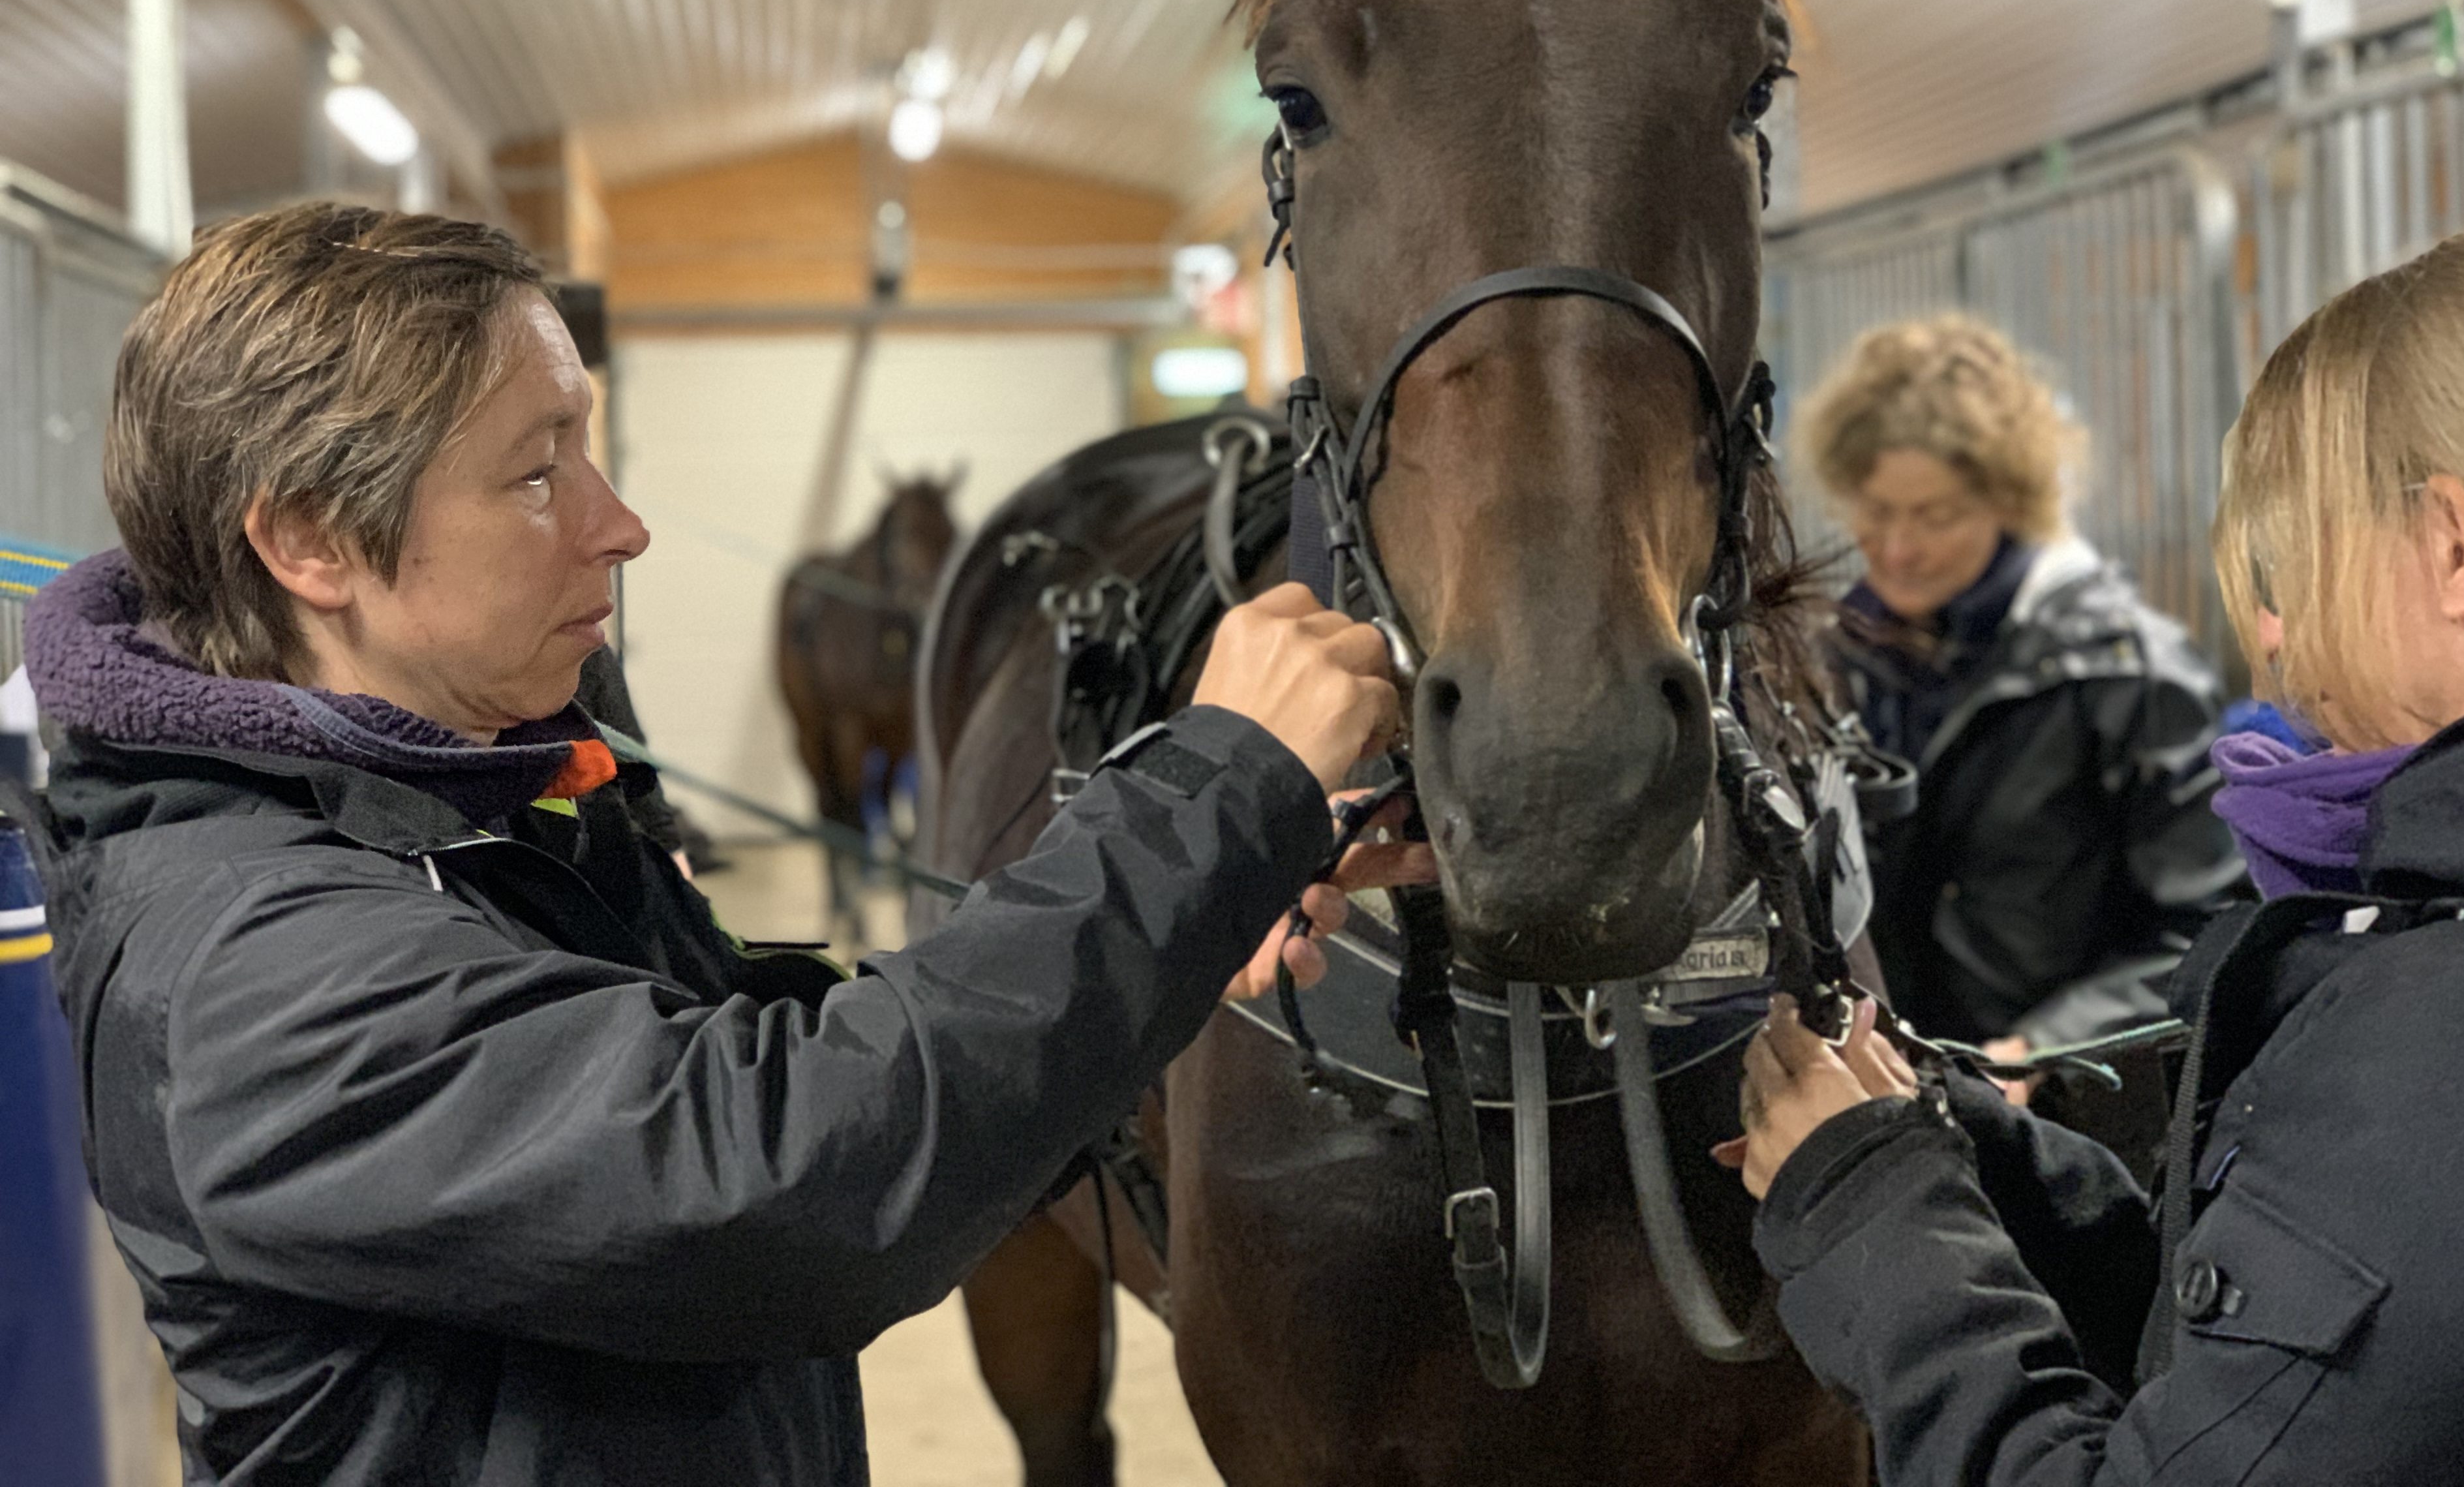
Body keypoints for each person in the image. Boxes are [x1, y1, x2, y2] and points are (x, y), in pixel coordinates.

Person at [16, 201, 1423, 1487]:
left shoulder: (469, 802)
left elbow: (735, 1058)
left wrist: (1186, 919)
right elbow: (779, 1169)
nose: (618, 527)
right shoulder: (254, 975)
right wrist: (1215, 799)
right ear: (313, 542)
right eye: (534, 475)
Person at [1729, 222, 2464, 1480]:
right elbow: (2279, 1385)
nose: (2276, 636)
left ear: (2451, 545)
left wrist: (1873, 1209)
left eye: (2299, 563)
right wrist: (1970, 1146)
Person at [1797, 314, 2245, 1060]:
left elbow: (2214, 928)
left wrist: (2048, 1048)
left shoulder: (2134, 677)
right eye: (1873, 514)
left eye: (1935, 516)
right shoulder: (1826, 662)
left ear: (2011, 500)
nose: (1899, 549)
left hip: (2059, 1108)